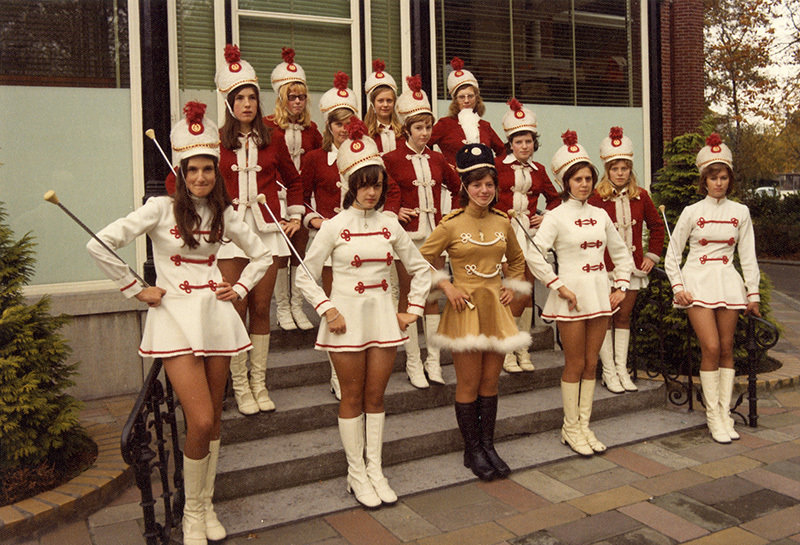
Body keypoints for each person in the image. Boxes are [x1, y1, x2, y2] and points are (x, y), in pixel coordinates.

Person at [88, 103, 270, 544]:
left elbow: (263, 253)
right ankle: (191, 513)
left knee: (214, 424)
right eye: (194, 170)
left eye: (209, 169)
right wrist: (136, 287)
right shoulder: (159, 209)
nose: (202, 178)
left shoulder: (225, 213)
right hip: (173, 321)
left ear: (216, 172)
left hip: (216, 317)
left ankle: (204, 507)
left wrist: (241, 289)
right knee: (202, 419)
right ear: (182, 171)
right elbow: (99, 244)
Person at [295, 119, 431, 508]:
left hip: (383, 319)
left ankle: (376, 469)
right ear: (349, 185)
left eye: (376, 184)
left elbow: (421, 269)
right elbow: (306, 273)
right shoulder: (334, 226)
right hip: (345, 322)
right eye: (363, 184)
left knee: (377, 395)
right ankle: (356, 473)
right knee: (352, 395)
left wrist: (412, 310)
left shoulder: (390, 225)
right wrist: (327, 308)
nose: (371, 192)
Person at [419, 143, 531, 481]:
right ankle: (472, 450)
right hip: (464, 308)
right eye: (476, 184)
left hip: (494, 308)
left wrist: (511, 285)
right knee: (468, 382)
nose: (484, 191)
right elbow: (420, 259)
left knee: (490, 382)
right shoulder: (451, 223)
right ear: (465, 187)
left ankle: (488, 445)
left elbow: (516, 260)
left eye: (489, 184)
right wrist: (447, 286)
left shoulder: (502, 221)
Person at [524, 131, 634, 457]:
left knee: (591, 363)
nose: (584, 184)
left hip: (599, 294)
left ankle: (583, 425)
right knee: (574, 363)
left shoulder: (601, 215)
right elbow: (534, 253)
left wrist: (621, 285)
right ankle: (570, 427)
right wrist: (558, 285)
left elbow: (622, 253)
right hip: (571, 296)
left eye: (588, 178)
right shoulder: (555, 216)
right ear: (565, 182)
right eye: (577, 179)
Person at [213, 44, 303, 415]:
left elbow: (294, 182)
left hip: (266, 233)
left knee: (262, 306)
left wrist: (295, 214)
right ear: (229, 102)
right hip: (230, 237)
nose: (247, 104)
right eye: (240, 98)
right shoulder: (215, 140)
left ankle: (259, 382)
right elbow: (186, 183)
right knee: (236, 305)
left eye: (252, 97)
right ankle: (239, 386)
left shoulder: (274, 138)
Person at [664, 133, 760, 444]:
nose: (718, 183)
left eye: (723, 178)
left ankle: (724, 413)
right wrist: (678, 287)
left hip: (728, 283)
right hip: (698, 282)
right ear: (704, 181)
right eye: (713, 178)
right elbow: (672, 255)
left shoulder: (740, 212)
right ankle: (712, 415)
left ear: (729, 180)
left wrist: (753, 293)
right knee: (712, 348)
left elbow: (747, 256)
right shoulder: (692, 212)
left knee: (728, 349)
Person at [383, 75, 461, 388]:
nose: (425, 133)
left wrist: (451, 218)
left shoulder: (438, 158)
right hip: (408, 238)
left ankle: (434, 362)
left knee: (431, 297)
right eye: (418, 128)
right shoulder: (390, 159)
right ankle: (414, 363)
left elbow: (458, 189)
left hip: (434, 236)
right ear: (406, 129)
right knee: (408, 297)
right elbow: (387, 194)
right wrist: (395, 211)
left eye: (428, 127)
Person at [588, 127, 665, 393]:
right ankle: (608, 371)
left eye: (624, 168)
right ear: (607, 170)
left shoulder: (641, 195)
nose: (620, 173)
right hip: (606, 269)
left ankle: (622, 369)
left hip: (631, 269)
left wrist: (651, 256)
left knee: (624, 316)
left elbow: (657, 227)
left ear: (630, 170)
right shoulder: (596, 198)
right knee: (606, 318)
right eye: (614, 168)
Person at [300, 70, 360, 400]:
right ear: (328, 126)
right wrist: (313, 220)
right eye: (338, 123)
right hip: (329, 242)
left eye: (348, 122)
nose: (343, 129)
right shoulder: (313, 158)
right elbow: (300, 195)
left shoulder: (365, 155)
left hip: (358, 243)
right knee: (334, 305)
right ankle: (337, 373)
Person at [495, 98, 561, 374]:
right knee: (513, 292)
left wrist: (544, 216)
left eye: (529, 141)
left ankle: (523, 348)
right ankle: (508, 352)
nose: (524, 146)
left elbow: (557, 199)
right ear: (510, 143)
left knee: (527, 292)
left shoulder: (540, 171)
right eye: (519, 141)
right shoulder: (497, 166)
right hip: (505, 236)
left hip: (531, 236)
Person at [267, 47, 322, 331]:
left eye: (302, 96)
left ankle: (298, 305)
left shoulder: (312, 130)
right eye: (292, 96)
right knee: (281, 255)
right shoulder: (267, 127)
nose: (298, 101)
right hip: (275, 200)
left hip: (302, 201)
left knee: (300, 255)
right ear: (281, 98)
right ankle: (283, 308)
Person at [429, 57, 505, 167]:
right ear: (455, 100)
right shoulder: (445, 124)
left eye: (470, 96)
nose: (466, 100)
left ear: (476, 98)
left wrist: (492, 167)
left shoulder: (485, 126)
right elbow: (420, 145)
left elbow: (503, 152)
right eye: (461, 97)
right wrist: (441, 165)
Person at [363, 59, 402, 154]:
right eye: (380, 101)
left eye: (389, 101)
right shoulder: (365, 132)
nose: (385, 105)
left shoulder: (403, 131)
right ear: (373, 103)